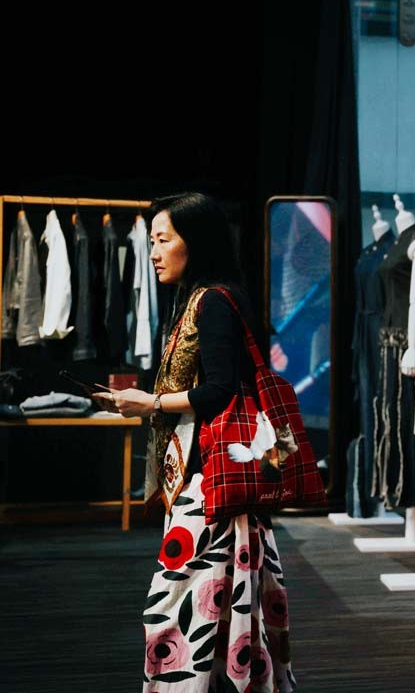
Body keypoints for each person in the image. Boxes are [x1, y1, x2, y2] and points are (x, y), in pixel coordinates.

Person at [94, 193, 296, 693]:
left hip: (212, 486)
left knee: (175, 609)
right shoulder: (208, 297)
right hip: (218, 481)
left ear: (196, 241)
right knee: (225, 612)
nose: (153, 252)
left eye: (163, 240)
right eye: (153, 241)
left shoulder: (212, 302)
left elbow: (219, 390)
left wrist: (151, 403)